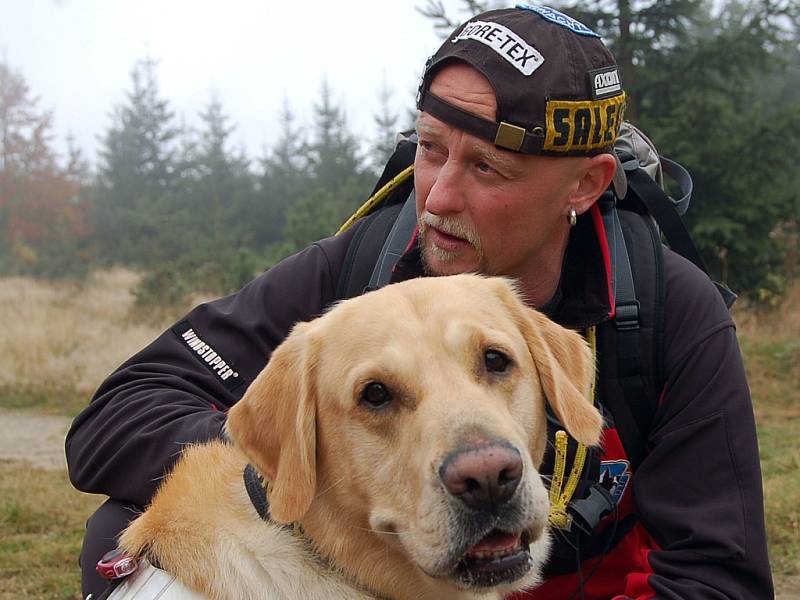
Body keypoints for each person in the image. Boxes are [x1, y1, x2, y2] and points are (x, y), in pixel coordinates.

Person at [67, 6, 773, 599]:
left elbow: (718, 579)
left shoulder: (669, 311)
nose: (434, 199)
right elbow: (114, 420)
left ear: (585, 186)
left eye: (486, 167)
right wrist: (305, 456)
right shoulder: (364, 265)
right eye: (430, 150)